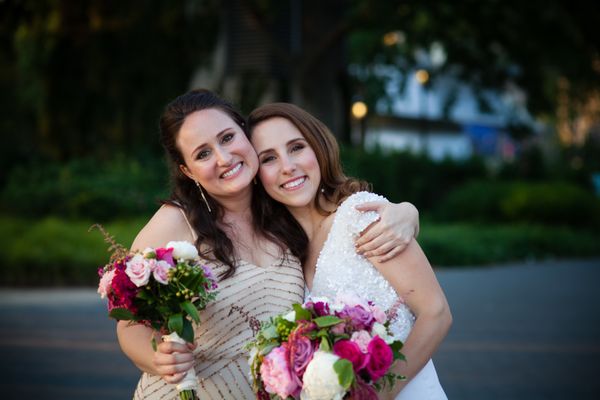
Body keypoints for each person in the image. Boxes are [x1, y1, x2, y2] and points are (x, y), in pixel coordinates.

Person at [117, 89, 421, 399]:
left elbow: (336, 210)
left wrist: (407, 212)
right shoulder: (176, 222)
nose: (223, 158)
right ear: (187, 170)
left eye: (226, 138)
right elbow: (129, 326)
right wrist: (158, 359)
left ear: (245, 135)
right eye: (203, 153)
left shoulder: (281, 207)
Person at [248, 103, 452, 400]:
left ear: (318, 148)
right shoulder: (284, 250)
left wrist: (378, 395)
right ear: (257, 175)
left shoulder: (360, 215)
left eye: (296, 147)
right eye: (269, 158)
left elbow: (436, 313)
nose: (287, 166)